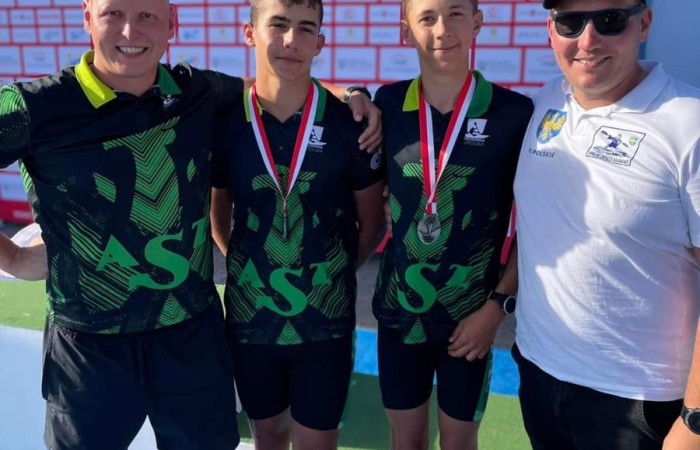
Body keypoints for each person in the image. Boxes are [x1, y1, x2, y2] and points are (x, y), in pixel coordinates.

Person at [0, 0, 381, 447]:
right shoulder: (33, 106)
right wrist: (15, 258)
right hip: (89, 348)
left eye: (147, 16)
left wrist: (351, 94)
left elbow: (275, 85)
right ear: (87, 17)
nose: (130, 31)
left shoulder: (196, 91)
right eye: (112, 13)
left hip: (192, 338)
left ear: (172, 24)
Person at [512, 1, 700, 449]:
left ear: (643, 23)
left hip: (638, 403)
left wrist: (694, 420)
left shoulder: (690, 123)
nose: (588, 39)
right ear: (551, 31)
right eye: (570, 22)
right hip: (537, 371)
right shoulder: (544, 102)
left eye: (610, 20)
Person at [209, 0, 385, 449]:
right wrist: (249, 266)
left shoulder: (351, 123)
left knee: (318, 443)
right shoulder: (225, 122)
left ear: (320, 43)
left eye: (306, 28)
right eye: (279, 25)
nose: (291, 40)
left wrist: (334, 274)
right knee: (267, 436)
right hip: (251, 318)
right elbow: (218, 216)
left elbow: (372, 224)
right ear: (249, 33)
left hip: (326, 321)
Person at [370, 0, 533, 448]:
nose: (442, 29)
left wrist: (496, 307)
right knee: (406, 440)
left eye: (456, 14)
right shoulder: (387, 102)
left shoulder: (514, 113)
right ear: (406, 31)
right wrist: (352, 95)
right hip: (399, 313)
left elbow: (536, 226)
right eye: (426, 18)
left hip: (470, 318)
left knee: (459, 442)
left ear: (477, 22)